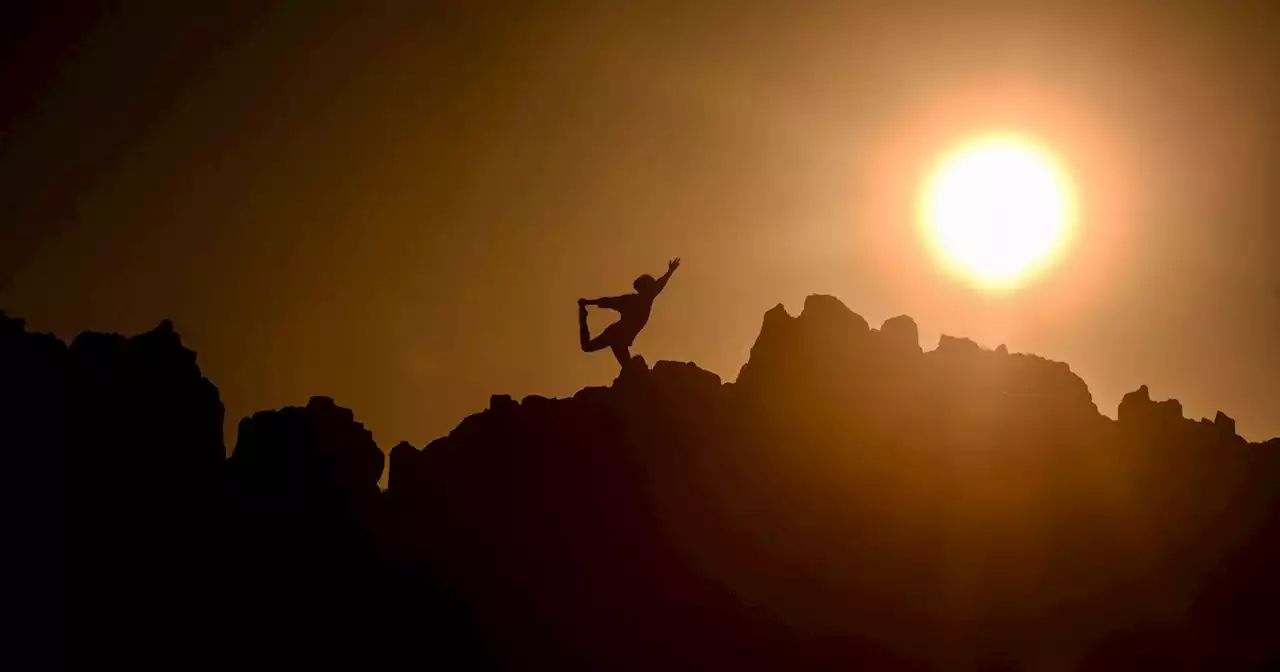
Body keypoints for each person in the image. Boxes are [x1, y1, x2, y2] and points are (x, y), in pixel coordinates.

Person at [579, 258, 681, 369]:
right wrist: (588, 302)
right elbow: (608, 301)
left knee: (589, 348)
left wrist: (670, 272)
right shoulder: (634, 300)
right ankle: (582, 315)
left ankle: (582, 315)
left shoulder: (643, 298)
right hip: (617, 334)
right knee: (626, 366)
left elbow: (659, 285)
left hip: (619, 336)